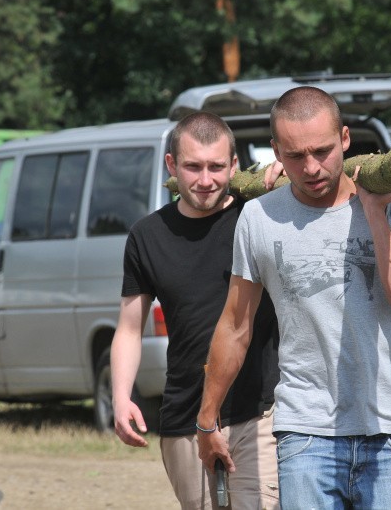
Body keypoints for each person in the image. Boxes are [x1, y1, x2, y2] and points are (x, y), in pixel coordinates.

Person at [196, 86, 391, 509]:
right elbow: (235, 325)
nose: (310, 168)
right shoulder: (259, 217)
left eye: (322, 151)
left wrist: (375, 212)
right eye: (294, 156)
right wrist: (206, 420)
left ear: (345, 139)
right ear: (276, 152)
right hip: (305, 435)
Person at [110, 111, 282, 509]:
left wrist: (286, 181)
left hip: (257, 413)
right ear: (172, 165)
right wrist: (122, 397)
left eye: (217, 167)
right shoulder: (146, 236)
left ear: (235, 166)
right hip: (183, 418)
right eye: (193, 167)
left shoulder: (257, 214)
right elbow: (130, 328)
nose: (205, 180)